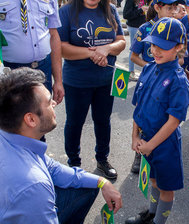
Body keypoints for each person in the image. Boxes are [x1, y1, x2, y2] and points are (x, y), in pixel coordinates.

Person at [0, 67, 122, 224]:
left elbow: (52, 168)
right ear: (31, 120)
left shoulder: (12, 137)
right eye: (48, 102)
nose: (54, 103)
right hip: (32, 199)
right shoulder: (35, 186)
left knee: (88, 184)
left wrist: (102, 181)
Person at [126, 17, 189, 224]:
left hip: (164, 144)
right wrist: (135, 136)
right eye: (153, 44)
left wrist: (151, 145)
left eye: (163, 46)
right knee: (153, 179)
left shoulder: (179, 81)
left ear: (179, 47)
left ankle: (158, 222)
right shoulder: (148, 68)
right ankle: (152, 213)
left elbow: (173, 122)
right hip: (145, 139)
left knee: (166, 187)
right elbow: (139, 106)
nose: (155, 50)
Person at [58, 0, 126, 179]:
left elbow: (121, 42)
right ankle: (74, 164)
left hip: (106, 80)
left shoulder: (110, 9)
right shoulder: (66, 11)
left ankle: (102, 159)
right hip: (77, 81)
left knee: (103, 121)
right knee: (74, 123)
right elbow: (62, 48)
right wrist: (94, 53)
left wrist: (107, 48)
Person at [0, 0, 64, 105]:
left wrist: (58, 81)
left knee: (44, 117)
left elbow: (53, 35)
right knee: (13, 118)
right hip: (10, 72)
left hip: (43, 68)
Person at [123, 0, 149, 81]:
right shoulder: (130, 1)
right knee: (134, 49)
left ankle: (146, 73)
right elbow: (126, 14)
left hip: (145, 26)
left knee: (146, 49)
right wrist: (141, 10)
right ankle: (131, 72)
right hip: (134, 27)